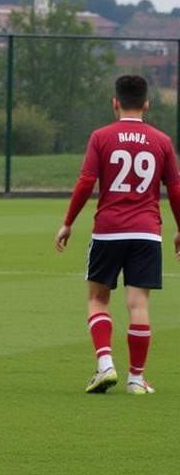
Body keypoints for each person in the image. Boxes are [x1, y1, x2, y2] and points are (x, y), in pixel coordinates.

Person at [55, 74, 180, 395]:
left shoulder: (101, 136)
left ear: (115, 102)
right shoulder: (163, 141)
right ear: (147, 104)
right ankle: (136, 379)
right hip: (147, 234)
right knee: (138, 304)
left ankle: (105, 365)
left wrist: (68, 222)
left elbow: (85, 182)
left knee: (98, 298)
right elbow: (176, 189)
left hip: (109, 231)